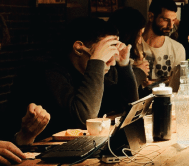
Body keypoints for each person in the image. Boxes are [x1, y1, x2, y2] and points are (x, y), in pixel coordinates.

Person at [9, 17, 138, 140]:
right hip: (31, 153)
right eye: (106, 51)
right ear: (78, 48)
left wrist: (124, 65)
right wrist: (97, 62)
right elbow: (84, 119)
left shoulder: (91, 72)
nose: (112, 62)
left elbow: (130, 108)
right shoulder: (46, 71)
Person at [141, 0, 186, 86]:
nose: (171, 26)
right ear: (151, 16)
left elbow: (177, 82)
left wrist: (154, 83)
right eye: (166, 20)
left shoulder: (177, 48)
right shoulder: (134, 45)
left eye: (173, 21)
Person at [108, 7, 150, 90]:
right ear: (128, 34)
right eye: (139, 35)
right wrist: (139, 73)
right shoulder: (110, 59)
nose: (140, 41)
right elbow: (121, 93)